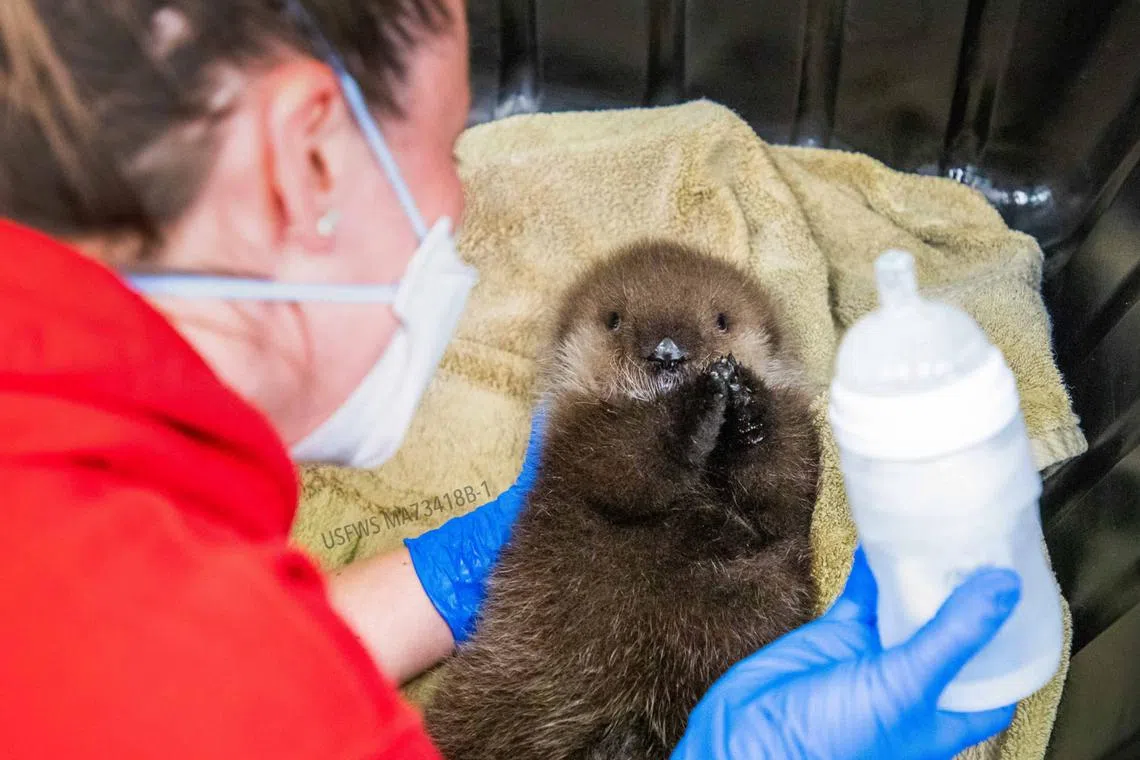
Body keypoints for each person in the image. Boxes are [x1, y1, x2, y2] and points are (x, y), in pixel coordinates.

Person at [0, 1, 1021, 757]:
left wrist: (435, 582)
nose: (463, 193)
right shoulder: (261, 700)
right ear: (304, 161)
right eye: (445, 143)